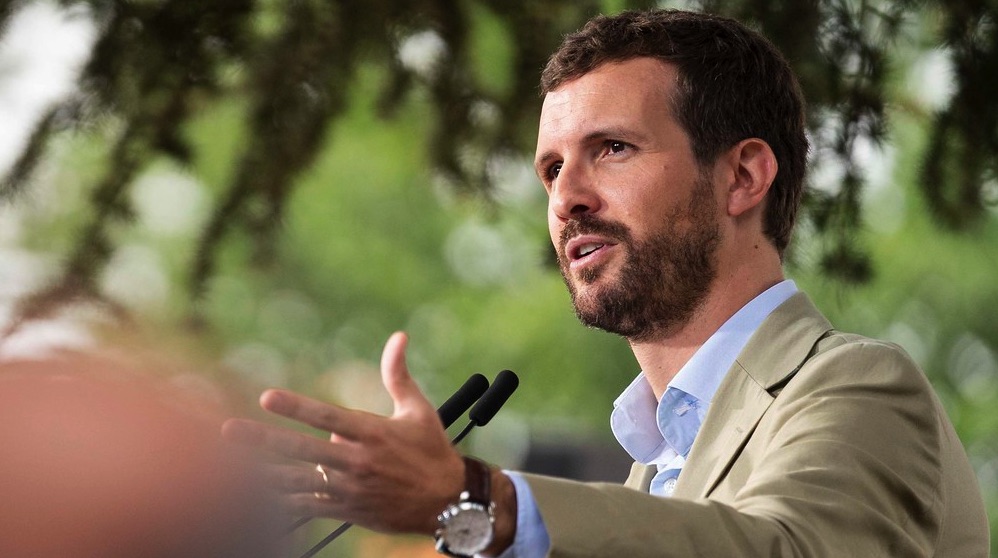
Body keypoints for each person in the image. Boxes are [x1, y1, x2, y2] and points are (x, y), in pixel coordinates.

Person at [222, 9, 990, 557]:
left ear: (744, 175)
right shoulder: (646, 467)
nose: (566, 199)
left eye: (613, 149)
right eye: (552, 168)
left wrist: (475, 501)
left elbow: (780, 547)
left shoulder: (857, 386)